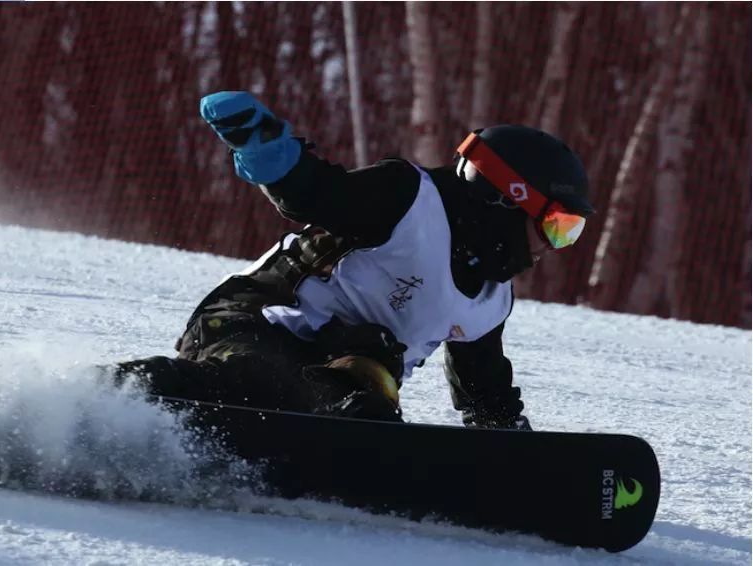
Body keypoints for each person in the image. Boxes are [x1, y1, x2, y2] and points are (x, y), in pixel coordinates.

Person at [114, 91, 594, 430]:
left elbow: (484, 387)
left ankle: (343, 443)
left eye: (570, 232)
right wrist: (272, 157)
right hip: (253, 322)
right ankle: (103, 403)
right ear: (506, 198)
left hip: (335, 368)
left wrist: (515, 456)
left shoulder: (490, 299)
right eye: (556, 224)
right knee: (260, 384)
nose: (554, 244)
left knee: (366, 397)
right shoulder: (409, 199)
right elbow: (322, 195)